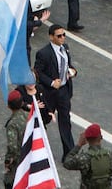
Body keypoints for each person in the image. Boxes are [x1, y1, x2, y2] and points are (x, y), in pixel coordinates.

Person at [34, 23, 77, 160]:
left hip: (64, 90)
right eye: (59, 36)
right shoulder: (43, 53)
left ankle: (69, 153)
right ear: (51, 37)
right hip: (49, 93)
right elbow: (38, 72)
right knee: (44, 119)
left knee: (65, 120)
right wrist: (52, 82)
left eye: (64, 35)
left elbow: (68, 65)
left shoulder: (65, 49)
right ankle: (36, 148)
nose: (62, 38)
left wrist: (73, 71)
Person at [62, 123, 112, 189]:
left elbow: (67, 163)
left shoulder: (84, 158)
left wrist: (79, 145)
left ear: (86, 139)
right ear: (101, 137)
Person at [3, 89, 28, 189]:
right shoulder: (29, 116)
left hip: (19, 160)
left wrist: (8, 161)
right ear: (22, 103)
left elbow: (12, 147)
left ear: (8, 106)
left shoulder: (12, 124)